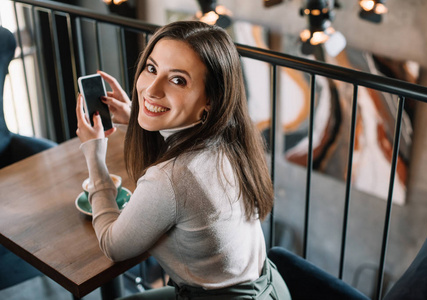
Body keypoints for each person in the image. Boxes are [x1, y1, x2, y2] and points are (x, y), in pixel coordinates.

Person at [76, 20, 291, 300]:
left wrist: (94, 157)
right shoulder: (231, 137)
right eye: (151, 69)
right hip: (271, 288)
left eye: (178, 80)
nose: (151, 90)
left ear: (210, 101)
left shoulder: (171, 178)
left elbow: (113, 245)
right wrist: (138, 115)